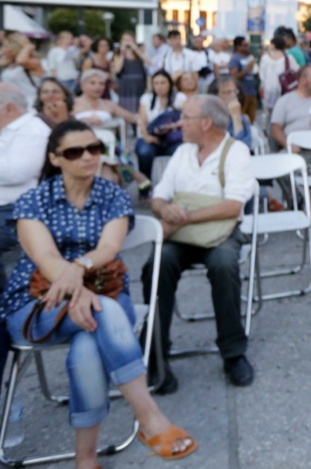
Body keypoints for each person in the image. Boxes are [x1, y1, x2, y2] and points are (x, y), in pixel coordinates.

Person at [0, 119, 196, 465]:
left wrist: (79, 270)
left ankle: (86, 460)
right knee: (104, 313)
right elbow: (44, 257)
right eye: (75, 152)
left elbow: (109, 246)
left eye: (94, 148)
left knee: (89, 342)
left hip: (103, 286)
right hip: (37, 300)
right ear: (56, 158)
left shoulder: (112, 195)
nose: (88, 157)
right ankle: (150, 419)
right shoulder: (34, 201)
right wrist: (80, 291)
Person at [143, 96, 255, 394]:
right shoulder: (182, 152)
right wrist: (162, 209)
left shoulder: (236, 152)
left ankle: (233, 352)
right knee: (156, 264)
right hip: (183, 234)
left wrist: (185, 216)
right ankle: (155, 352)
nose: (180, 122)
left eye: (186, 117)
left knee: (223, 264)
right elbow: (159, 195)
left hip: (219, 231)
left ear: (205, 122)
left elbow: (233, 207)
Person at [0, 83, 51, 285]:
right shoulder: (10, 128)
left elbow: (16, 172)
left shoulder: (32, 130)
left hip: (15, 211)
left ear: (9, 108)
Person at [135, 70, 186, 182]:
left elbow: (187, 116)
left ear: (170, 83)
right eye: (156, 83)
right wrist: (147, 136)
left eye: (163, 82)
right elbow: (142, 120)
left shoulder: (179, 98)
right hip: (150, 138)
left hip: (172, 139)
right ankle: (145, 186)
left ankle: (177, 185)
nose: (160, 86)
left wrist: (171, 127)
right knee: (144, 152)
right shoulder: (146, 98)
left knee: (183, 151)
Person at [209, 75, 253, 149]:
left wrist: (236, 117)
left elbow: (244, 146)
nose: (233, 95)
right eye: (228, 92)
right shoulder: (208, 119)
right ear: (216, 95)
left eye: (235, 91)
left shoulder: (242, 119)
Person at [111, 31, 149, 115]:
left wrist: (136, 49)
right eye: (125, 39)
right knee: (126, 108)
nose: (127, 42)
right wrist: (122, 52)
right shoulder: (118, 54)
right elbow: (117, 69)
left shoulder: (139, 53)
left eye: (129, 39)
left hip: (139, 84)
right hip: (126, 85)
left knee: (140, 107)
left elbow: (149, 63)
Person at [0, 33, 44, 106]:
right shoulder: (9, 64)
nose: (3, 49)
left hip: (30, 104)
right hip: (12, 104)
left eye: (6, 46)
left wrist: (28, 47)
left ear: (14, 47)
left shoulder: (32, 62)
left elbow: (20, 61)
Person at [259, 33, 298, 111]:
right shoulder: (289, 58)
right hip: (284, 90)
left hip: (268, 90)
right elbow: (297, 71)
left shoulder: (265, 58)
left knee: (268, 114)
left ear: (273, 45)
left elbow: (262, 75)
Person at [229, 36, 259, 122]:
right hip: (242, 92)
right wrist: (247, 69)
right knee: (241, 116)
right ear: (238, 47)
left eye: (248, 45)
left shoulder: (250, 57)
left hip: (252, 91)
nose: (247, 47)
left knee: (251, 116)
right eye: (245, 45)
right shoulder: (235, 58)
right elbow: (234, 76)